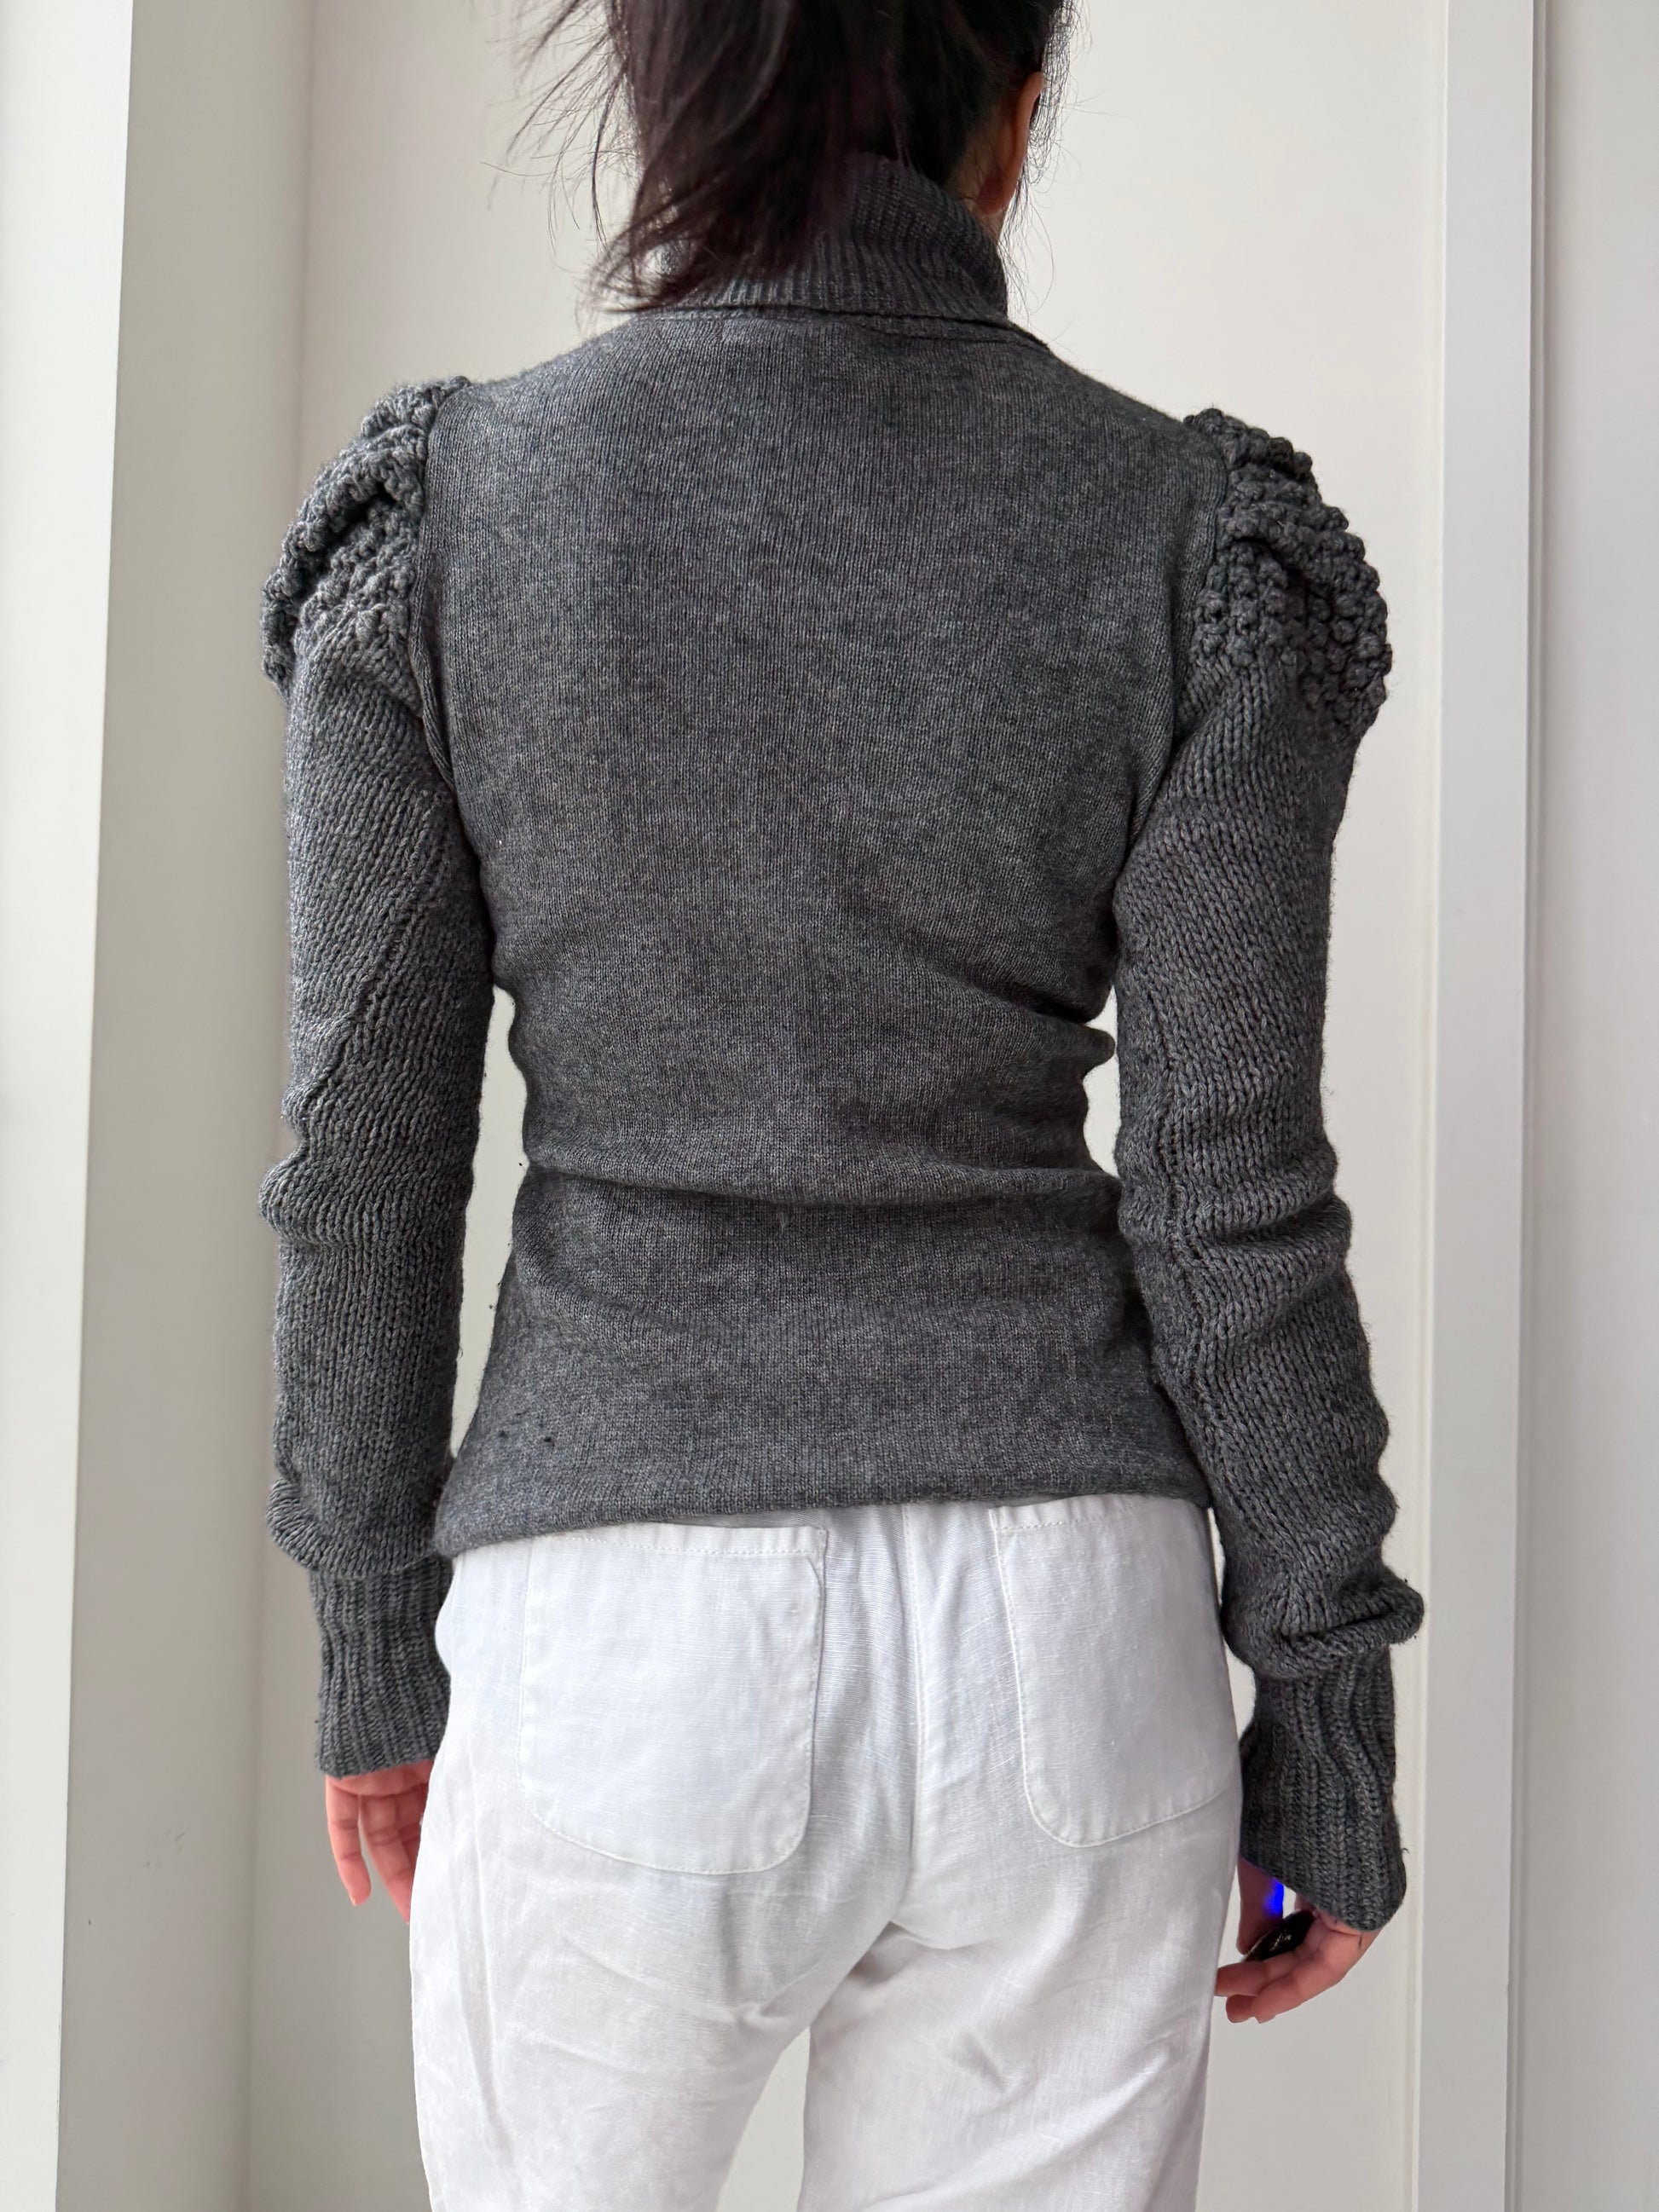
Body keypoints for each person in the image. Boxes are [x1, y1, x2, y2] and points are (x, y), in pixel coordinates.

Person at [258, 0, 1427, 2203]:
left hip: (616, 1637)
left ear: (653, 87)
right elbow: (1228, 1196)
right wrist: (1327, 1711)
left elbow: (363, 1168)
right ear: (1021, 101)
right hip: (1069, 1637)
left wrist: (372, 1648)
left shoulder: (447, 522)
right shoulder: (1197, 540)